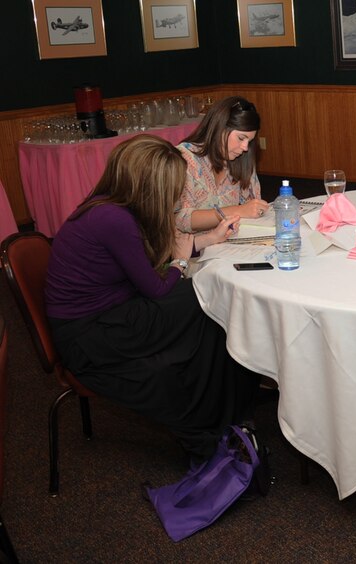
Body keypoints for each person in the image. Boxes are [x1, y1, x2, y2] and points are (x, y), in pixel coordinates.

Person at [45, 135, 259, 461]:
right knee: (203, 297)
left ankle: (218, 410)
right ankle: (216, 410)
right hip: (91, 334)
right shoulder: (113, 220)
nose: (176, 194)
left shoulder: (108, 206)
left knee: (203, 299)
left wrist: (206, 240)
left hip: (106, 314)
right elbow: (158, 286)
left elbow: (148, 263)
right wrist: (181, 261)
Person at [176, 96, 269, 233]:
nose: (245, 147)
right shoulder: (185, 159)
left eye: (249, 141)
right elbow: (179, 219)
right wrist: (236, 211)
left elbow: (253, 205)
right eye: (241, 138)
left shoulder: (240, 158)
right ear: (220, 127)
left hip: (228, 244)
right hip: (192, 249)